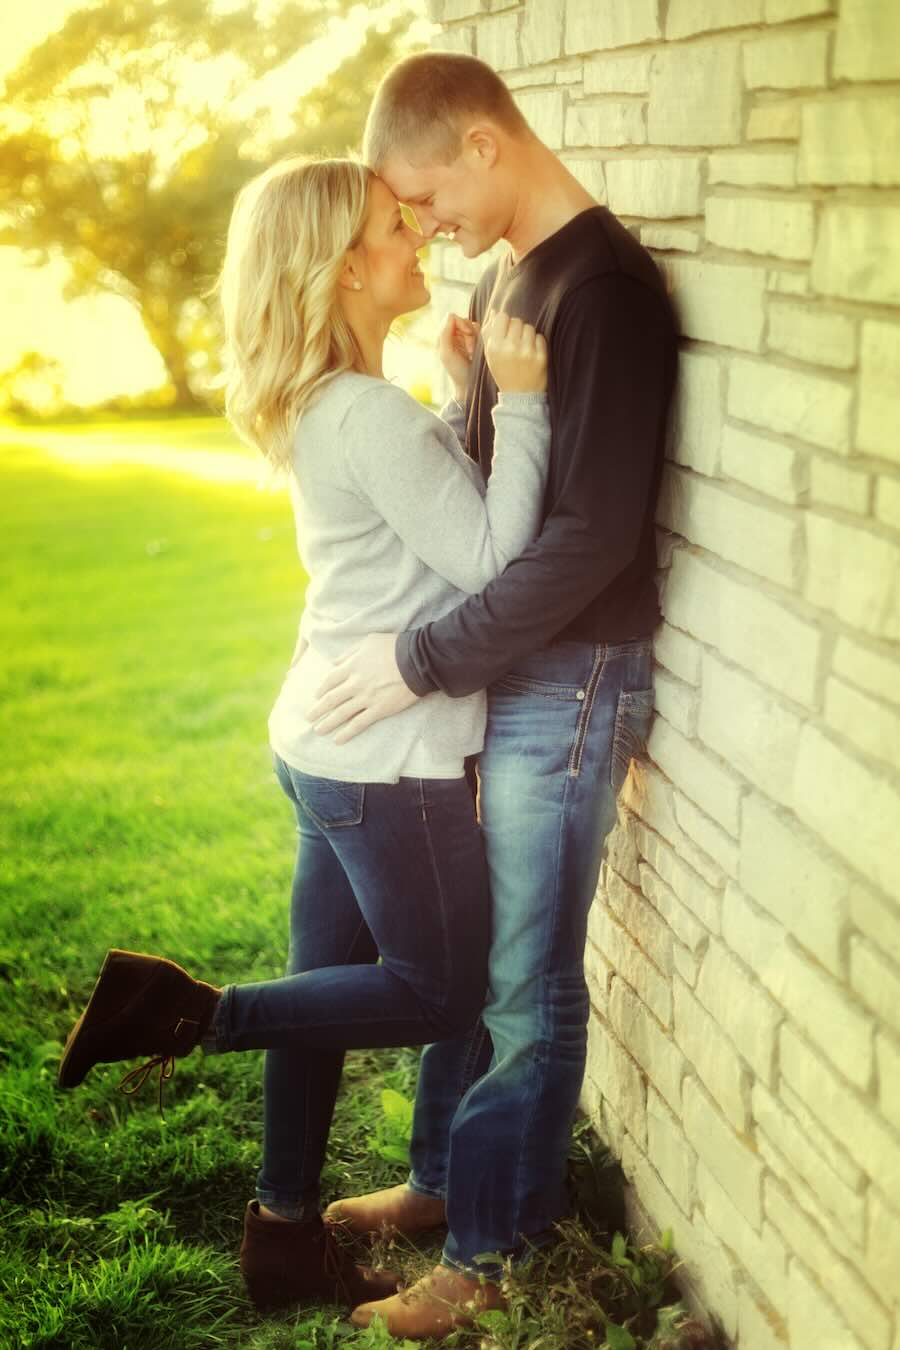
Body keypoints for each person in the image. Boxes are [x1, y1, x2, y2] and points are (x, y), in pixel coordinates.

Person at [57, 154, 552, 1317]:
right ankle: (185, 1011)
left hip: (322, 747)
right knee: (441, 994)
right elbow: (491, 561)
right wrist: (522, 405)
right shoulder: (368, 416)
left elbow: (409, 519)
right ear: (339, 270)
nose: (416, 239)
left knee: (325, 987)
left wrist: (455, 399)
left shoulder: (333, 403)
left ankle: (283, 1236)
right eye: (392, 227)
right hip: (389, 767)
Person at [307, 53, 678, 1339]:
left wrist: (422, 660)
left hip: (568, 683)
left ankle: (493, 1249)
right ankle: (434, 1183)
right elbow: (492, 502)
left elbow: (589, 542)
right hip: (504, 674)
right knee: (471, 957)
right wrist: (471, 391)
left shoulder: (609, 296)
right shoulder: (509, 275)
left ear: (481, 143)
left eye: (424, 196)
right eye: (403, 216)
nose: (424, 225)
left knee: (524, 979)